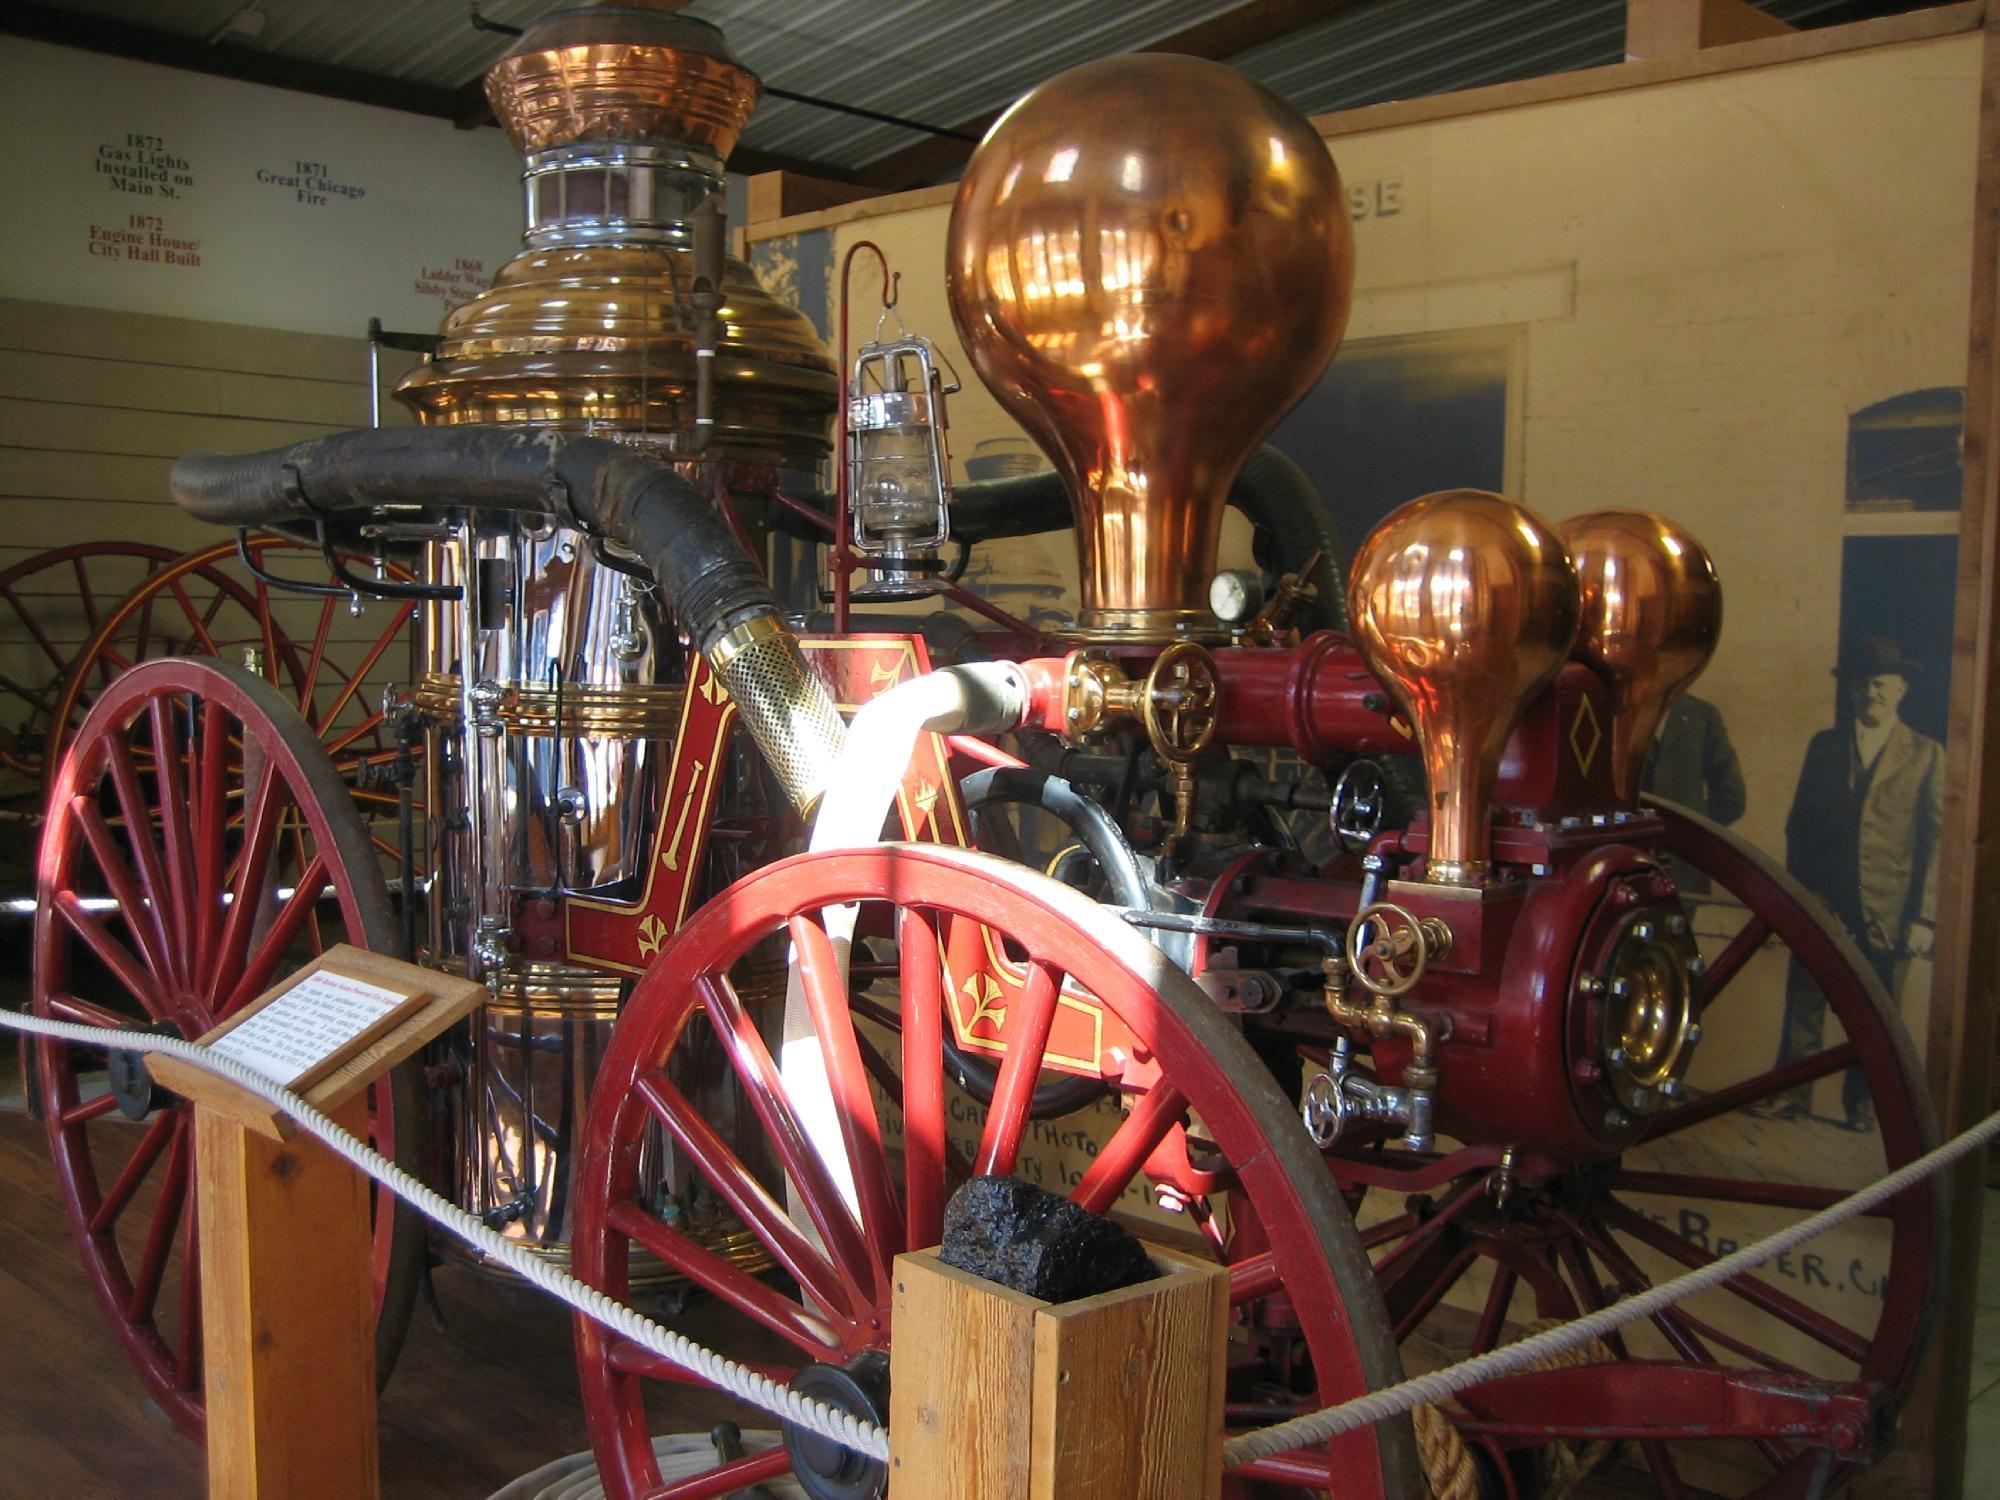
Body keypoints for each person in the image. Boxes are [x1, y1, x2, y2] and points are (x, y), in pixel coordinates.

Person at [1776, 635, 1943, 1127]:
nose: (1870, 693)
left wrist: (1925, 918)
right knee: (1805, 998)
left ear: (1901, 689)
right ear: (1849, 691)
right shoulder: (1824, 747)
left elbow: (1935, 846)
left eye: (1880, 684)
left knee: (1877, 1014)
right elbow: (1799, 826)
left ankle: (1866, 1107)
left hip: (1887, 912)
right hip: (1824, 899)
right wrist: (1798, 898)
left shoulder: (1927, 756)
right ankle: (1791, 1095)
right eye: (1861, 684)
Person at [1642, 692, 1747, 894]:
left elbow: (1732, 799)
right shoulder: (1620, 711)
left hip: (1683, 866)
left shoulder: (1701, 716)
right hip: (1627, 861)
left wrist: (1692, 827)